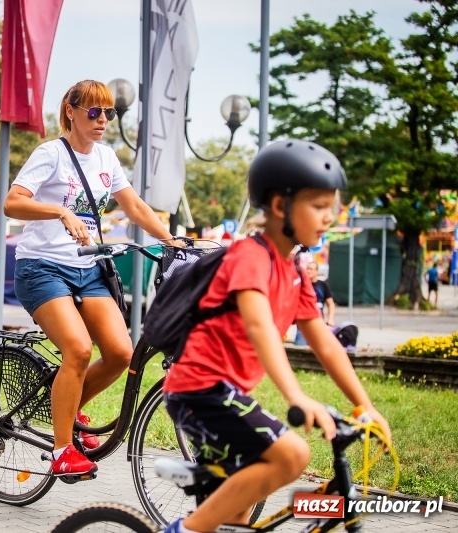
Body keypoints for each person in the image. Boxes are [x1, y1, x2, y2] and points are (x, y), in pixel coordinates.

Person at [162, 140, 392, 533]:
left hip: (226, 393)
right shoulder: (251, 256)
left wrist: (364, 406)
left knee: (237, 518)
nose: (329, 218)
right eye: (319, 207)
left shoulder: (296, 272)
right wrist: (296, 396)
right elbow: (259, 326)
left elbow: (324, 341)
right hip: (200, 391)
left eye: (332, 207)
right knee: (291, 454)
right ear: (281, 206)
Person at [3, 79, 182, 477]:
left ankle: (67, 407)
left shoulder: (105, 157)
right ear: (71, 111)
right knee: (79, 351)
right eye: (94, 112)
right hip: (41, 267)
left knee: (121, 353)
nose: (102, 120)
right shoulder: (51, 154)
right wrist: (61, 212)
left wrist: (171, 241)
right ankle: (61, 448)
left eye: (109, 113)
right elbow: (12, 203)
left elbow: (133, 205)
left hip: (88, 268)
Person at [294, 261, 335, 346]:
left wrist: (330, 319)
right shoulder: (300, 284)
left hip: (319, 325)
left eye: (311, 269)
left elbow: (330, 304)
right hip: (302, 327)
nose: (309, 271)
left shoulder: (323, 285)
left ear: (317, 271)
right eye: (307, 269)